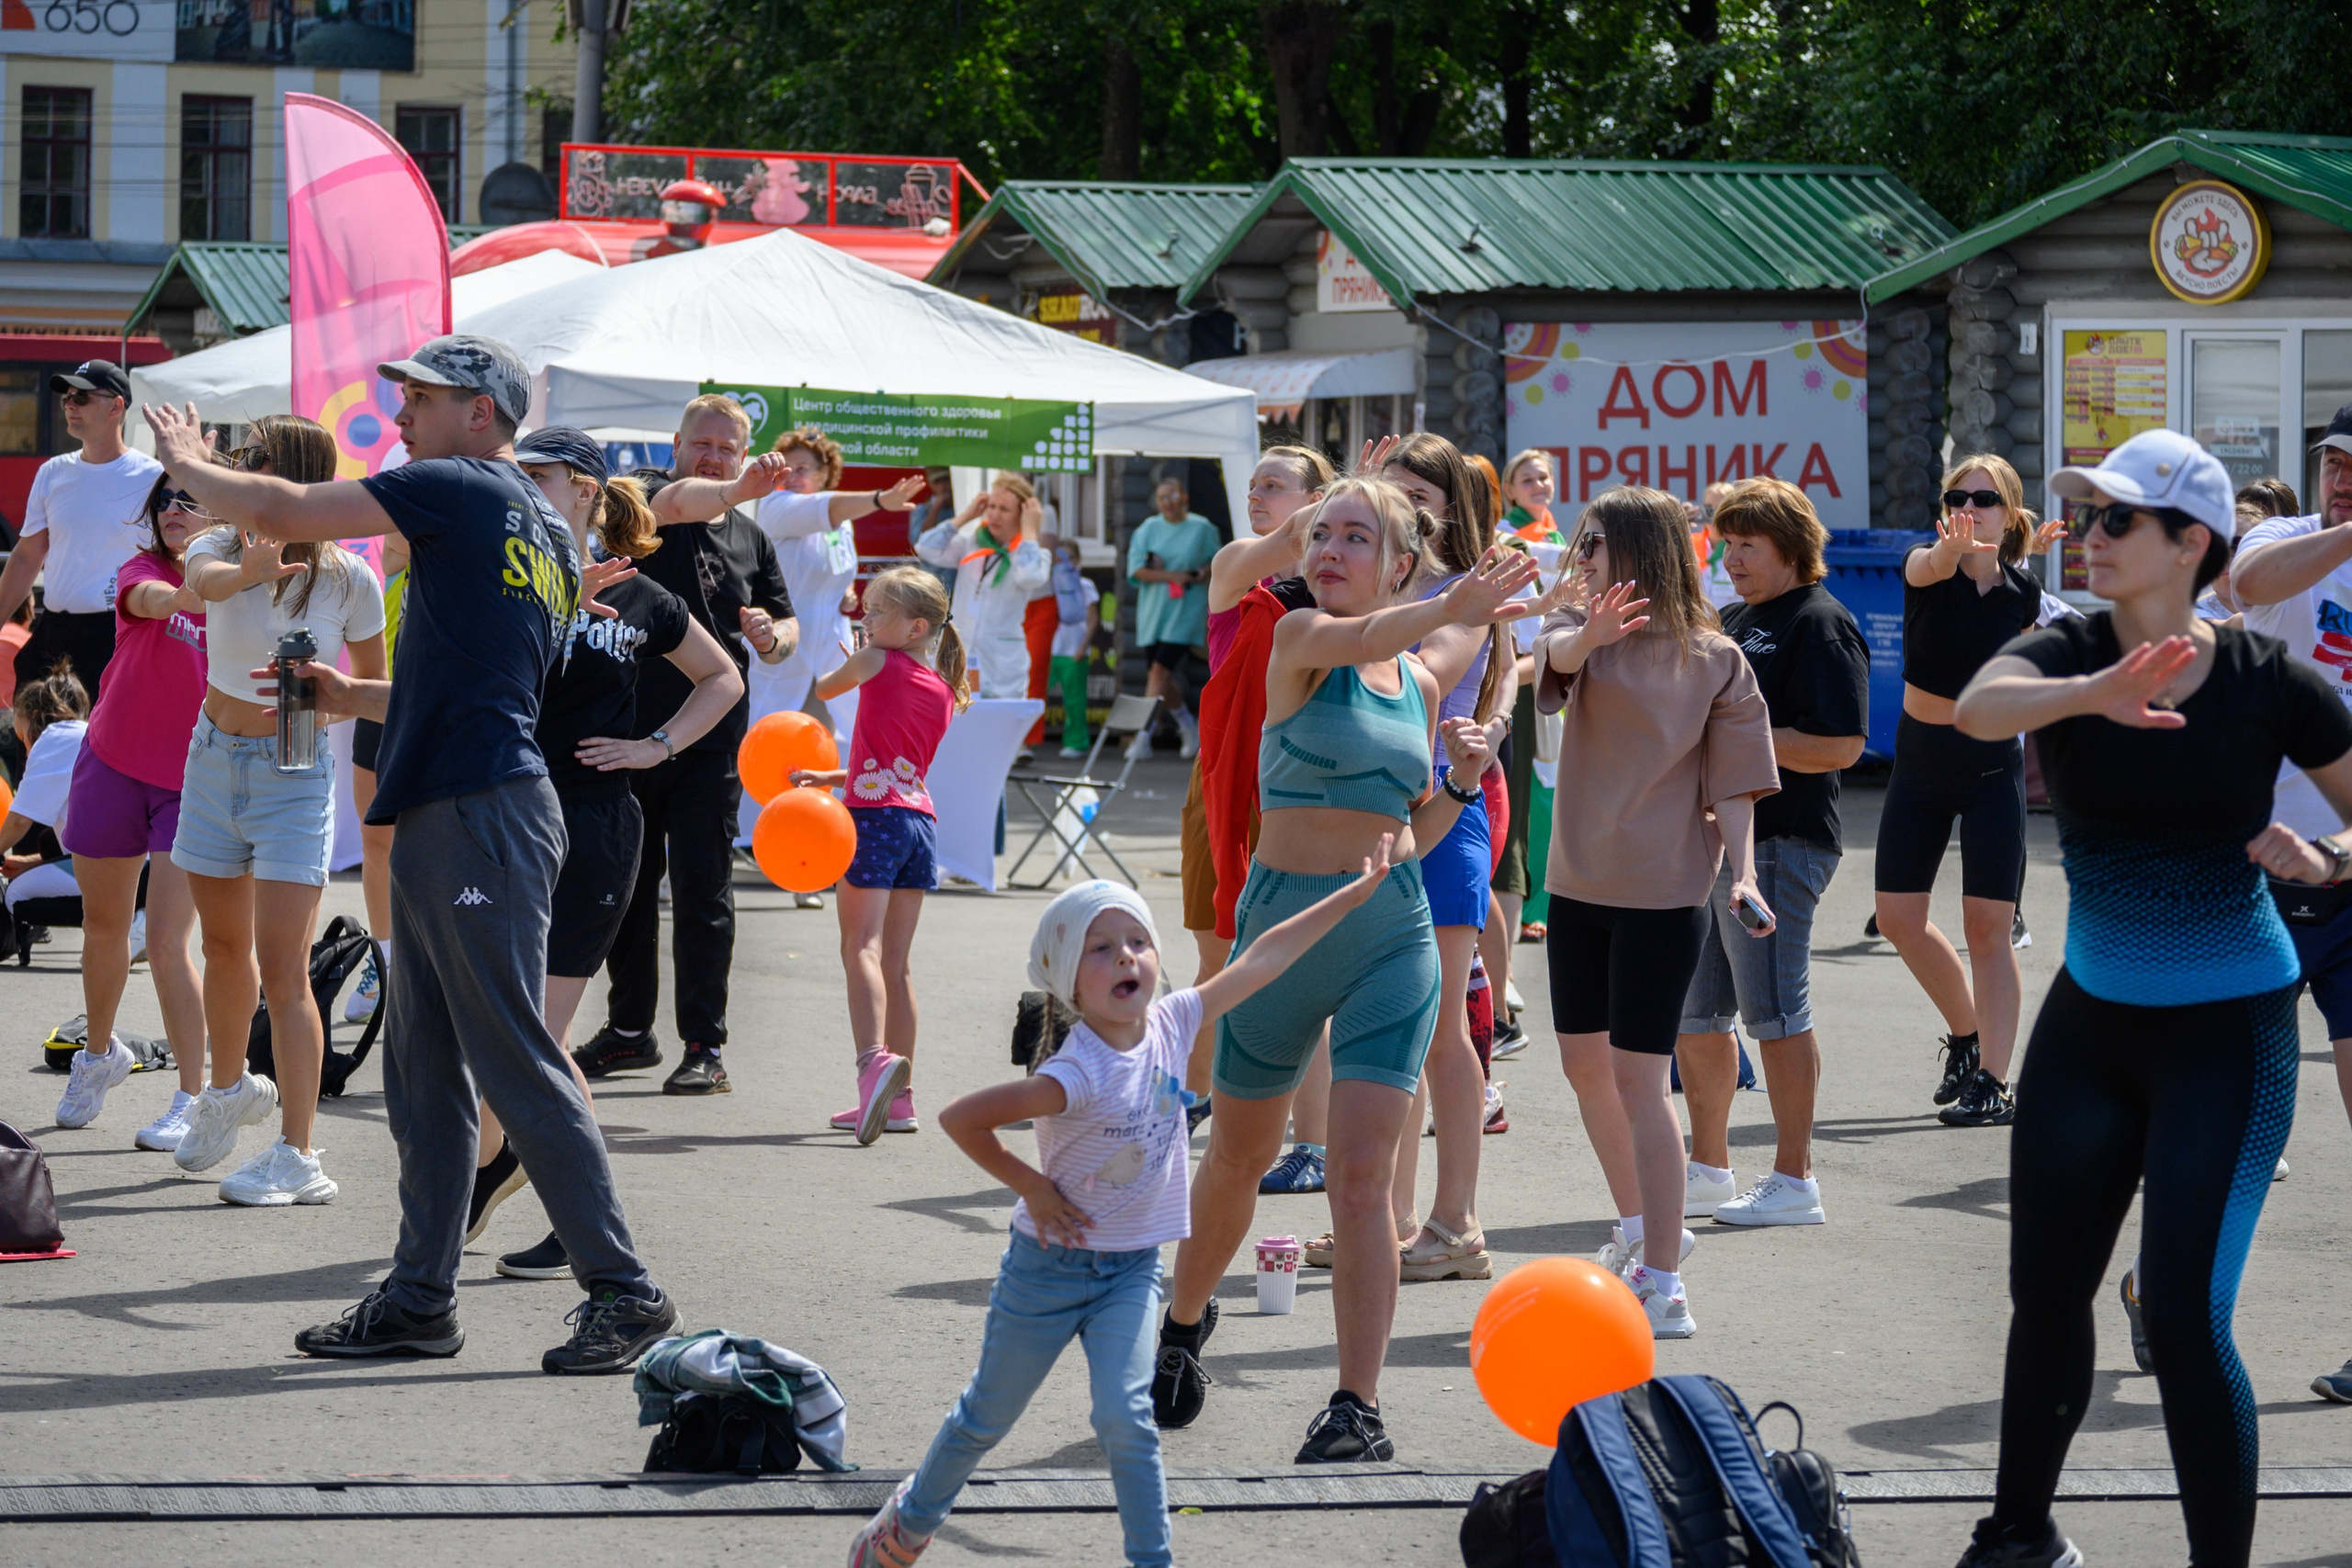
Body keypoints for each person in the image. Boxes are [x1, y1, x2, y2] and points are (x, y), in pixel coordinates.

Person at [145, 334, 679, 1374]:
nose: (400, 417)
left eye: (421, 399)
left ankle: (624, 1289)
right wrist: (353, 698)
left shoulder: (464, 484)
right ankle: (419, 1300)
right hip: (469, 802)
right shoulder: (542, 528)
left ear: (480, 412)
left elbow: (291, 514)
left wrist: (187, 460)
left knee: (512, 1059)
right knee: (421, 1067)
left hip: (480, 809)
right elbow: (493, 686)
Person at [1949, 428, 2344, 1568]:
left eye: (2117, 518)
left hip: (2230, 1031)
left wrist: (2325, 861)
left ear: (2191, 543)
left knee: (2177, 1312)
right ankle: (2018, 1535)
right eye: (2085, 514)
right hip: (2093, 1023)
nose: (2089, 534)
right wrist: (2090, 695)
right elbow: (1976, 708)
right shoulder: (2063, 647)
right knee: (2046, 1294)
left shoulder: (2270, 682)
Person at [848, 861, 1394, 1568]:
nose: (1126, 956)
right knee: (985, 1416)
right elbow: (960, 1118)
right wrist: (1033, 1188)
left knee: (1128, 1419)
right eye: (1101, 949)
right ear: (1070, 985)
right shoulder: (1073, 1072)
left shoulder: (1175, 1020)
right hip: (1044, 1274)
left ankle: (1151, 1560)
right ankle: (909, 1521)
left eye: (1137, 940)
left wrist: (1351, 893)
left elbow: (1264, 955)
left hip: (1132, 1272)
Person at [1152, 476, 1526, 1464]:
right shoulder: (1298, 639)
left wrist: (1459, 775)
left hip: (1388, 939)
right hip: (1279, 932)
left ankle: (1357, 1404)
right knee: (1238, 1155)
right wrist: (1452, 607)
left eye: (1355, 537)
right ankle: (1186, 1318)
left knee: (1361, 1180)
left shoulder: (1422, 683)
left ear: (1397, 563)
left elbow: (1421, 825)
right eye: (1321, 534)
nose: (1329, 549)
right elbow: (1370, 637)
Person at [473, 425, 744, 1282]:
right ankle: (488, 1175)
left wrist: (657, 746)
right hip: (508, 819)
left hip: (594, 828)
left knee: (539, 1044)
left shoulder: (638, 594)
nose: (523, 488)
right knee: (494, 1035)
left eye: (540, 476)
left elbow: (724, 677)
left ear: (586, 491)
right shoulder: (507, 577)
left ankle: (573, 1216)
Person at [1538, 485, 1781, 1338]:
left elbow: (1737, 788)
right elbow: (1555, 662)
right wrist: (1585, 634)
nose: (1582, 553)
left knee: (1641, 1077)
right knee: (1582, 1065)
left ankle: (1667, 1283)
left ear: (1639, 549)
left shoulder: (1717, 658)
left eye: (1596, 540)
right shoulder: (1580, 638)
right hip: (1573, 887)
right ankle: (1644, 1233)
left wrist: (1744, 874)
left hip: (1663, 895)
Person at [170, 415, 386, 1204]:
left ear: (283, 472)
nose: (235, 470)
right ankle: (229, 1089)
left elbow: (373, 682)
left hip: (293, 774)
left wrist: (324, 704)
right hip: (213, 758)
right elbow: (203, 586)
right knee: (225, 948)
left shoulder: (349, 579)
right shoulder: (220, 543)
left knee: (288, 972)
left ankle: (299, 1155)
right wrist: (249, 569)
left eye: (249, 460)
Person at [575, 394, 797, 1096]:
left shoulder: (752, 539)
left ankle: (705, 1043)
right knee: (627, 891)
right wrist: (732, 489)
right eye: (701, 444)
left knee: (705, 892)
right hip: (625, 732)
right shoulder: (641, 499)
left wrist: (772, 635)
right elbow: (679, 502)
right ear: (676, 443)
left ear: (743, 447)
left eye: (726, 448)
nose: (712, 455)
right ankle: (630, 1033)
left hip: (708, 742)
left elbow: (788, 631)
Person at [1670, 479, 1868, 1226]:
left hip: (1784, 844)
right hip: (1718, 845)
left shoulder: (1821, 622)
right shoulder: (1736, 616)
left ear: (1790, 546)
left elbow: (1841, 744)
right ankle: (1709, 1167)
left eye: (1747, 543)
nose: (1733, 556)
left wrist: (1736, 744)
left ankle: (1795, 1179)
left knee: (1776, 1013)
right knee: (1697, 1015)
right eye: (1726, 542)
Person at [2216, 404, 2352, 1404]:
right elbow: (2247, 584)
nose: (2342, 477)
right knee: (2235, 1124)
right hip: (2254, 873)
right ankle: (2169, 1287)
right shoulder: (2284, 537)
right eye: (2334, 463)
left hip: (2346, 873)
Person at [1876, 456, 2064, 1128]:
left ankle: (1995, 1078)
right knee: (1897, 916)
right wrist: (1947, 552)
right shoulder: (1924, 566)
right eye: (1957, 495)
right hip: (1920, 766)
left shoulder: (2023, 592)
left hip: (1991, 770)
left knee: (1987, 929)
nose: (1968, 505)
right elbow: (1927, 564)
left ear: (2008, 513)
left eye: (1983, 498)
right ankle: (1966, 1034)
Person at [1380, 432, 1516, 1284]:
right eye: (1385, 490)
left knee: (1437, 1031)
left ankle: (1457, 1221)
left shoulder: (1461, 596)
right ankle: (1391, 1219)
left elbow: (1423, 672)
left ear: (1445, 508)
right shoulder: (1380, 582)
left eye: (1413, 495)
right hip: (1378, 810)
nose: (1398, 506)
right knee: (1384, 1024)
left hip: (1445, 807)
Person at [49, 476, 210, 1149]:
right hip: (112, 765)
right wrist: (204, 583)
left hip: (192, 782)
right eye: (165, 500)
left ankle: (194, 1098)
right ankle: (98, 1055)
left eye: (190, 499)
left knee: (170, 942)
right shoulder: (141, 570)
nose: (173, 509)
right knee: (104, 927)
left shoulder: (254, 582)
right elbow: (152, 599)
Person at [1191, 446, 1334, 1185]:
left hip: (1292, 779)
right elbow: (1280, 547)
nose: (1256, 492)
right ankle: (1198, 1097)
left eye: (1274, 485)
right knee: (1216, 955)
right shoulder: (1236, 562)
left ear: (1313, 495)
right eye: (1252, 483)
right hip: (1220, 779)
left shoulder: (1336, 586)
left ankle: (1310, 1140)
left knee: (1302, 970)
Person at [794, 567, 967, 1145]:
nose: (863, 620)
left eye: (875, 612)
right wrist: (831, 774)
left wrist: (858, 655)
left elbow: (822, 689)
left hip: (872, 820)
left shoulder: (876, 661)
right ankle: (900, 1100)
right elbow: (896, 765)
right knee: (897, 962)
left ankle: (873, 1065)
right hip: (918, 821)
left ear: (916, 625)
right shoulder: (942, 688)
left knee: (858, 947)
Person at [741, 426, 924, 862]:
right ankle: (742, 839)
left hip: (832, 654)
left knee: (849, 740)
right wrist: (881, 500)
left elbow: (828, 570)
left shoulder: (839, 528)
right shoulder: (776, 504)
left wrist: (842, 595)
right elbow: (825, 508)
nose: (793, 475)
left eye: (804, 469)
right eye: (787, 468)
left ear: (826, 473)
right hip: (781, 655)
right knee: (756, 746)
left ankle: (824, 838)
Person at [0, 361, 163, 695]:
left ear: (116, 406)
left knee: (105, 743)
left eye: (82, 397)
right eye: (67, 398)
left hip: (118, 634)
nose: (70, 404)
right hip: (55, 632)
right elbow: (28, 556)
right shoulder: (52, 472)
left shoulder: (153, 477)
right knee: (34, 737)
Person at [914, 472, 1050, 699]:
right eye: (992, 506)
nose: (995, 515)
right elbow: (926, 547)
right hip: (960, 660)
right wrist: (966, 516)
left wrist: (1030, 531)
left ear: (1023, 514)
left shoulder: (1031, 553)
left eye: (1005, 509)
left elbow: (1030, 576)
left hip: (1001, 669)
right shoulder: (971, 542)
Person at [1124, 477, 1221, 759]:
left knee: (1159, 672)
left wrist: (1202, 571)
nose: (1168, 503)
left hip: (1186, 610)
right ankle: (1187, 725)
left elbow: (1217, 561)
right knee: (1160, 677)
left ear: (1184, 498)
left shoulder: (1202, 528)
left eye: (1173, 496)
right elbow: (1137, 570)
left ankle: (1142, 737)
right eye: (1162, 497)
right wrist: (1172, 576)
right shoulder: (1148, 529)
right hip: (1155, 611)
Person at [0, 664, 91, 952]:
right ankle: (134, 916)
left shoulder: (54, 738)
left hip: (110, 868)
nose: (26, 749)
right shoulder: (85, 731)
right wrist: (30, 863)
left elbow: (17, 822)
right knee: (48, 841)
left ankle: (130, 918)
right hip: (146, 859)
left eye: (22, 736)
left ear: (36, 719)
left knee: (14, 896)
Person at [1046, 536, 1100, 757]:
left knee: (1074, 700)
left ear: (1077, 559)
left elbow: (1093, 618)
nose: (1062, 561)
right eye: (1059, 556)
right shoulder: (1048, 584)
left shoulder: (1084, 585)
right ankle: (1027, 743)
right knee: (1035, 695)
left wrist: (1083, 646)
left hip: (1074, 651)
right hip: (1051, 649)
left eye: (1068, 556)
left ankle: (1077, 742)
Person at [1501, 449, 1560, 545]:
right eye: (1527, 480)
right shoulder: (1503, 531)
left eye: (1543, 477)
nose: (1538, 485)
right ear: (1509, 491)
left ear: (1552, 482)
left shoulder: (1552, 532)